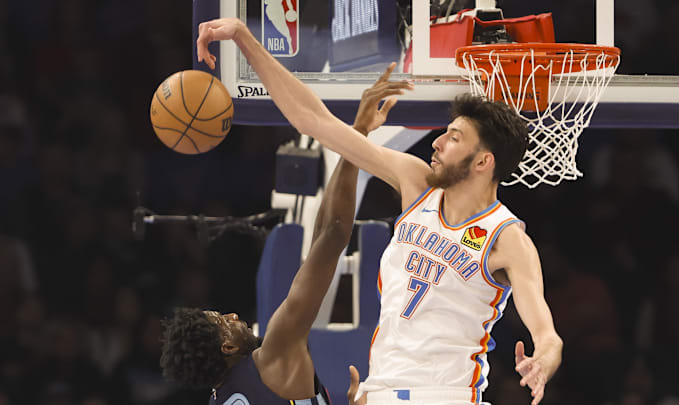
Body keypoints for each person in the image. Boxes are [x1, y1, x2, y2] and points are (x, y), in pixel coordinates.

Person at [196, 18, 563, 405]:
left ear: (483, 162)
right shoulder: (415, 182)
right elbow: (314, 120)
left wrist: (543, 362)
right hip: (380, 392)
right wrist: (242, 36)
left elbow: (548, 335)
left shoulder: (507, 238)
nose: (437, 142)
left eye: (453, 138)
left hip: (445, 396)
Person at [158, 73, 403, 405]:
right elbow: (333, 233)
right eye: (223, 321)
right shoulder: (273, 354)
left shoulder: (222, 399)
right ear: (226, 346)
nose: (232, 316)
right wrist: (356, 133)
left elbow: (324, 236)